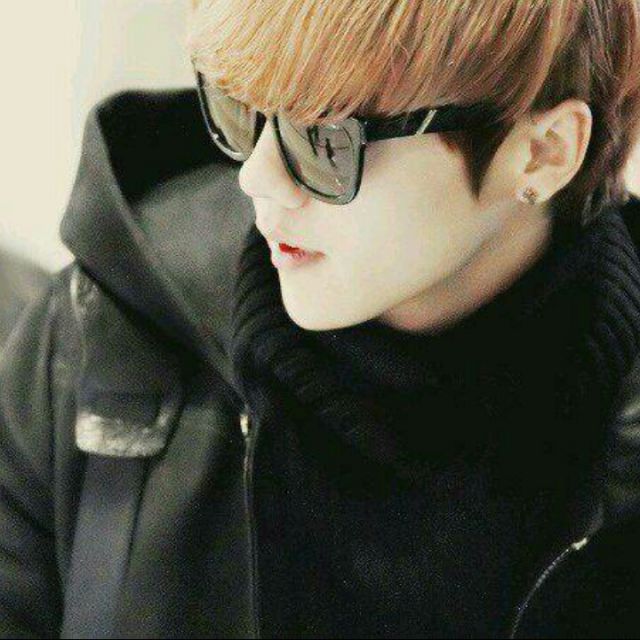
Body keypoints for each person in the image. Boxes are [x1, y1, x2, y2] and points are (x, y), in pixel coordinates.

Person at [2, 0, 640, 637]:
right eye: (241, 110)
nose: (258, 177)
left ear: (543, 153)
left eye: (327, 141)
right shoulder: (94, 341)